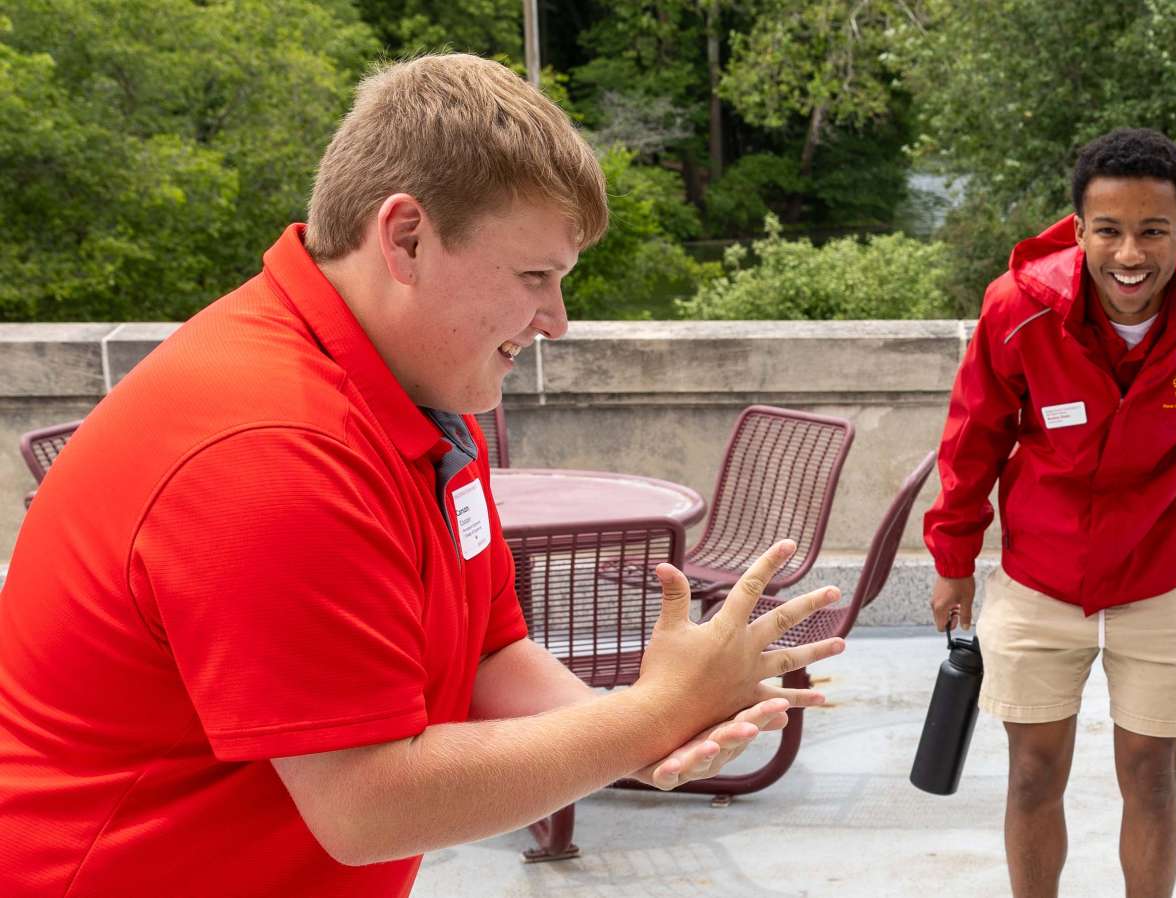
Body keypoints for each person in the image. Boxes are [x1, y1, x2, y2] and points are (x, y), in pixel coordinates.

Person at [0, 54, 846, 897]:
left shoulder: (423, 402)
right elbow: (368, 805)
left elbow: (488, 652)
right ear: (406, 238)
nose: (556, 320)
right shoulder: (269, 446)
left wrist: (638, 729)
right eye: (534, 277)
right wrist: (648, 716)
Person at [924, 127, 1176, 898]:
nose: (1130, 254)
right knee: (1031, 775)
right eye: (1108, 231)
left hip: (1163, 583)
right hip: (1040, 584)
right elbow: (973, 436)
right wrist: (953, 561)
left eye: (1153, 231)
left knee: (1150, 779)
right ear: (1078, 229)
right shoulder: (1019, 308)